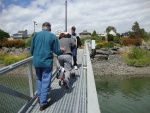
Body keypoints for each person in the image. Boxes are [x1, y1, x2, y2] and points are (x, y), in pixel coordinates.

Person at [30, 22, 66, 111]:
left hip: (37, 62)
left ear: (42, 27)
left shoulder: (35, 35)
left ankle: (39, 97)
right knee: (46, 81)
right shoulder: (53, 36)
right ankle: (43, 103)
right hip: (46, 62)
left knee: (39, 79)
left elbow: (31, 50)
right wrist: (63, 51)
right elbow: (57, 51)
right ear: (49, 28)